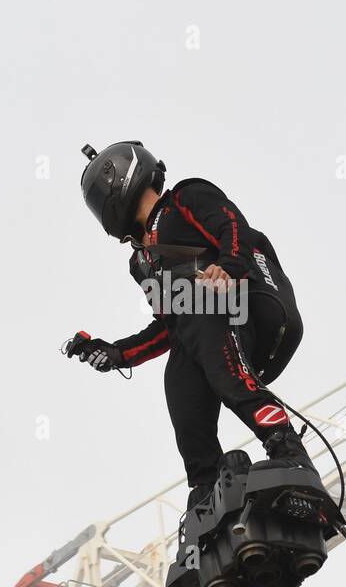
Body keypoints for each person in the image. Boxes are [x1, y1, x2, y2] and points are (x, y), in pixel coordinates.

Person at [66, 141, 314, 509]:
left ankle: (287, 449)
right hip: (208, 329)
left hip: (253, 306)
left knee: (201, 318)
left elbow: (234, 229)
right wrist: (118, 353)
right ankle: (209, 495)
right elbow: (171, 326)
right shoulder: (141, 262)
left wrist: (227, 267)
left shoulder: (184, 199)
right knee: (179, 374)